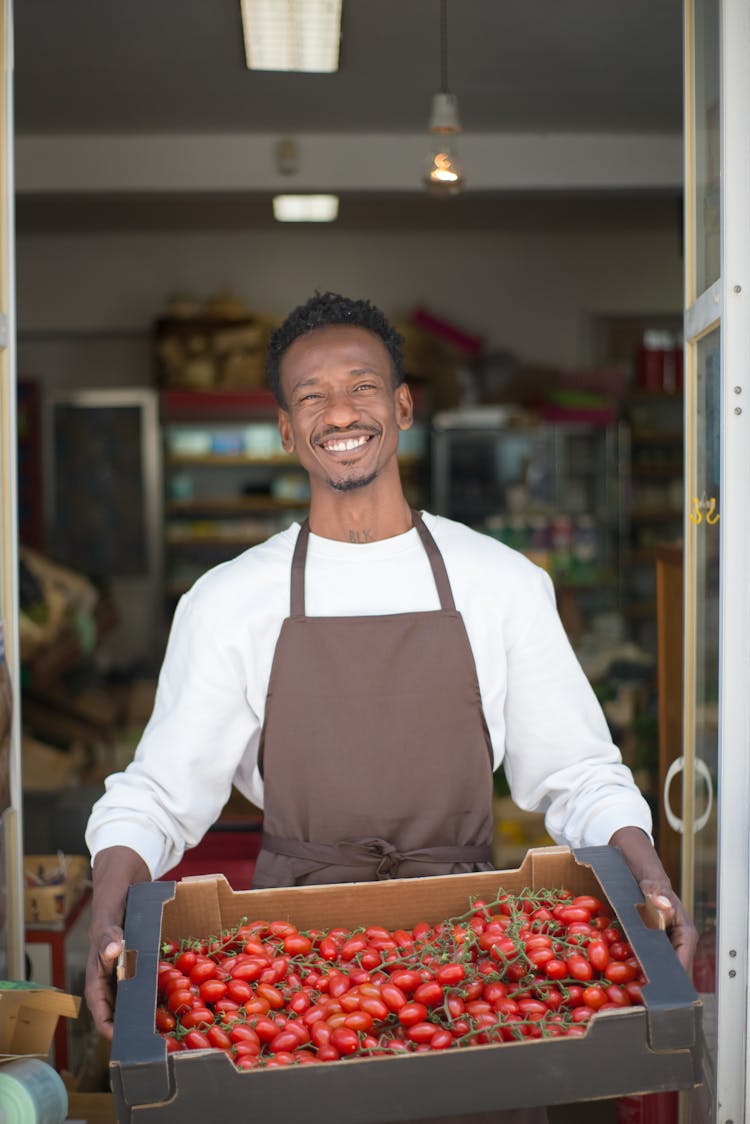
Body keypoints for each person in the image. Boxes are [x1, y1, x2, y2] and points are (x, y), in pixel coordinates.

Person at [85, 291, 696, 1075]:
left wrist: (646, 868)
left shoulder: (500, 582)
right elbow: (159, 795)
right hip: (292, 979)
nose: (339, 411)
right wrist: (108, 914)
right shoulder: (229, 600)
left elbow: (577, 774)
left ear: (403, 406)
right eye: (311, 395)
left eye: (362, 386)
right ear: (284, 429)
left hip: (472, 966)